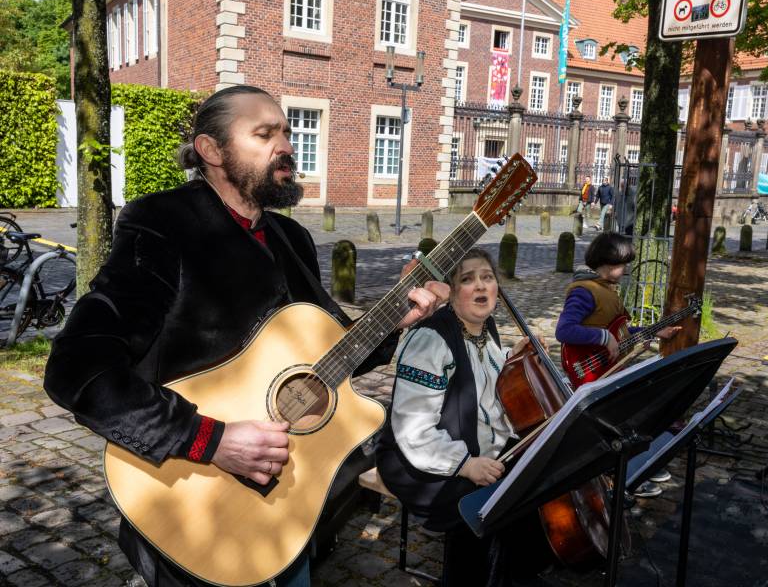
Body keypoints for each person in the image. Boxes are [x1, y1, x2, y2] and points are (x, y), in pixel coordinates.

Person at [43, 85, 448, 587]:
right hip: (194, 496)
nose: (287, 146)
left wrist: (393, 324)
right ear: (212, 151)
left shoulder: (291, 238)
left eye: (287, 132)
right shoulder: (164, 224)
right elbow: (78, 369)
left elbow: (324, 358)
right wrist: (211, 440)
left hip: (286, 503)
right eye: (265, 133)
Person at [376, 248, 554, 587]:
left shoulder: (483, 329)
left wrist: (511, 360)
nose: (481, 287)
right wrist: (465, 464)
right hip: (418, 458)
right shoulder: (431, 340)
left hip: (468, 441)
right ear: (452, 290)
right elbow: (414, 429)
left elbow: (480, 371)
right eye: (467, 279)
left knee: (534, 474)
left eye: (487, 277)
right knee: (483, 504)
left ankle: (513, 571)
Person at [554, 232, 679, 497]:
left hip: (607, 369)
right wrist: (601, 336)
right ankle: (619, 473)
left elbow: (619, 331)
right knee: (616, 422)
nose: (624, 272)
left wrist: (653, 332)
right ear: (609, 264)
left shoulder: (605, 289)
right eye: (622, 266)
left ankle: (630, 467)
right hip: (589, 370)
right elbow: (564, 331)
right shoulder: (584, 292)